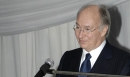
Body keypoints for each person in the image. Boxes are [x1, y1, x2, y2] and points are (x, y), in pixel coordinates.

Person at [56, 4, 130, 77]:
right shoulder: (67, 57)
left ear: (103, 30)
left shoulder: (124, 61)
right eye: (78, 27)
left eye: (87, 29)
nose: (80, 35)